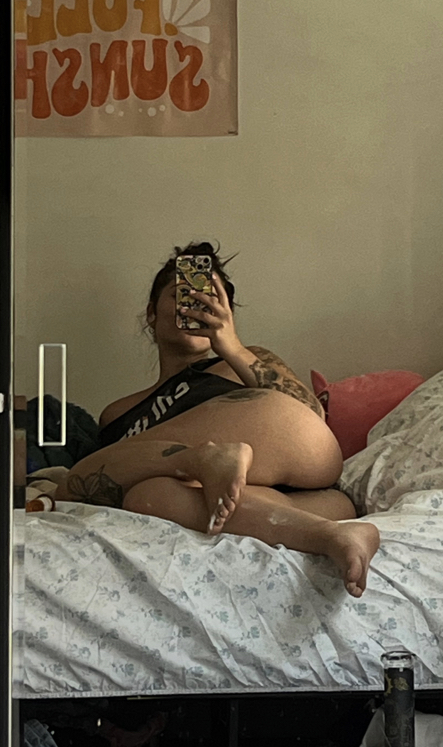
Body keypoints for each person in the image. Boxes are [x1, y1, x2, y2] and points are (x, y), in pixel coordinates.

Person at [56, 242, 379, 597]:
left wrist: (232, 346)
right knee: (148, 495)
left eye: (209, 297)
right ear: (151, 313)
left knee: (76, 482)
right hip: (298, 505)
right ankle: (332, 535)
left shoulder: (242, 361)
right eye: (183, 294)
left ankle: (201, 457)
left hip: (301, 460)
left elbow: (310, 417)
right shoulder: (118, 413)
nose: (196, 305)